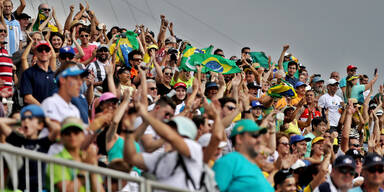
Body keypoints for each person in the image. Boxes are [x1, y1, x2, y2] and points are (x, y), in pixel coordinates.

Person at [124, 105, 203, 190]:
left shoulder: (195, 148)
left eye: (174, 128)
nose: (168, 129)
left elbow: (170, 137)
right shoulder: (161, 158)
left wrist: (145, 115)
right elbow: (131, 158)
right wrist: (129, 130)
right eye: (170, 127)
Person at [0, 104, 59, 191]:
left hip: (37, 188)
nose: (26, 121)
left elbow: (56, 129)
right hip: (20, 188)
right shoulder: (19, 141)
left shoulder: (43, 142)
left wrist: (45, 121)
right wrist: (18, 121)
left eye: (30, 118)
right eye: (24, 119)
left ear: (40, 125)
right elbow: (1, 122)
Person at [213, 119, 274, 191]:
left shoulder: (254, 166)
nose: (259, 140)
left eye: (259, 136)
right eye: (255, 136)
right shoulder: (230, 160)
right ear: (239, 138)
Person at [47, 117, 105, 192]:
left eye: (76, 132)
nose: (72, 135)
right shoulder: (56, 160)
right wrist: (86, 168)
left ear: (83, 135)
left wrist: (92, 170)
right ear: (61, 137)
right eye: (67, 133)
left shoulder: (88, 158)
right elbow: (67, 190)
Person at [20, 41, 56, 105]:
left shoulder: (54, 74)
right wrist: (44, 109)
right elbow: (27, 98)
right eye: (40, 50)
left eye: (47, 50)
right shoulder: (28, 73)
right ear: (35, 53)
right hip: (34, 112)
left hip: (52, 113)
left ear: (50, 53)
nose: (44, 52)